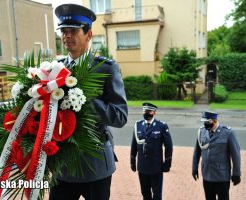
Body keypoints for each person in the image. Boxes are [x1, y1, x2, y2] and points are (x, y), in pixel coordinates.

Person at [49, 4, 128, 200]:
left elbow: (120, 116)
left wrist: (85, 98)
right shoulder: (55, 69)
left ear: (89, 34)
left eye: (73, 31)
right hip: (63, 165)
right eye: (63, 31)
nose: (67, 36)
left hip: (95, 165)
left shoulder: (106, 68)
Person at [192, 111, 241, 200]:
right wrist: (194, 168)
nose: (205, 124)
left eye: (207, 122)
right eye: (204, 122)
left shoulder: (228, 133)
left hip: (222, 176)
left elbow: (235, 155)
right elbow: (197, 152)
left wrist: (236, 173)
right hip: (207, 174)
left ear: (214, 121)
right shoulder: (202, 131)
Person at [130, 102, 173, 200]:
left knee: (157, 195)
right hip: (142, 166)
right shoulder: (137, 125)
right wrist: (132, 161)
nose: (146, 113)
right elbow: (134, 144)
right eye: (145, 111)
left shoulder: (161, 126)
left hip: (156, 167)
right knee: (145, 194)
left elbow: (168, 146)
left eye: (149, 111)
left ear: (154, 112)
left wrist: (167, 162)